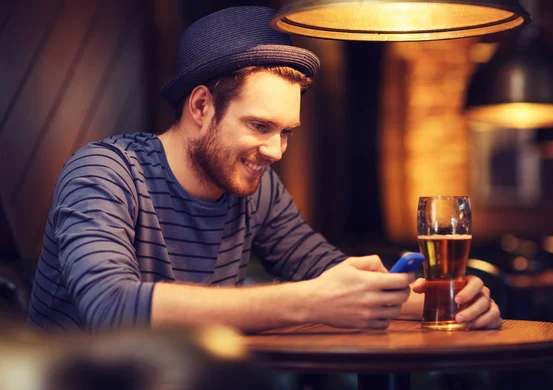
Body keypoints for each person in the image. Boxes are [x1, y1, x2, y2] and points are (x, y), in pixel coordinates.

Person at [27, 6, 502, 333]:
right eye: (259, 125)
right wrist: (310, 300)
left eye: (287, 132)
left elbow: (331, 278)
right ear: (200, 106)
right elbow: (110, 307)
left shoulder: (257, 189)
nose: (275, 151)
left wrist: (449, 302)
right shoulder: (103, 173)